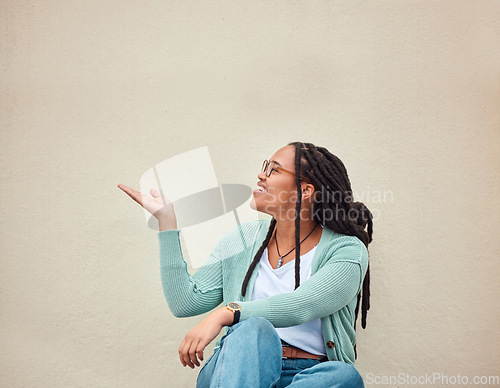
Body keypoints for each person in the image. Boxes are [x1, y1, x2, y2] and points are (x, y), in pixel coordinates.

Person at [118, 141, 373, 387]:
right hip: (238, 369)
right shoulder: (243, 238)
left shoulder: (347, 250)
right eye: (264, 166)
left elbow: (303, 304)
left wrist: (228, 312)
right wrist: (167, 222)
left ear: (305, 191)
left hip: (309, 375)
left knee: (343, 376)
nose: (261, 176)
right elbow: (186, 302)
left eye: (273, 170)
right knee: (254, 330)